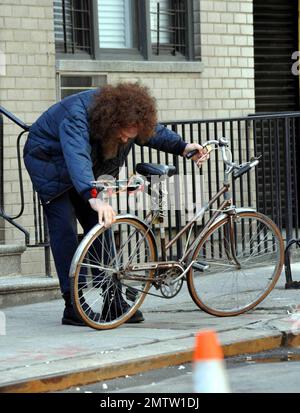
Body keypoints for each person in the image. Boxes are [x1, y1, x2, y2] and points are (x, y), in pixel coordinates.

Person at [23, 82, 209, 326]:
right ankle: (73, 304)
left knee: (102, 226)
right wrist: (92, 197)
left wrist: (184, 147)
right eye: (123, 133)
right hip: (48, 162)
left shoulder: (128, 119)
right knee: (65, 229)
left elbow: (155, 133)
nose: (125, 138)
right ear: (110, 122)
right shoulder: (77, 116)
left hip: (85, 168)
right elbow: (76, 154)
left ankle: (113, 299)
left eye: (131, 136)